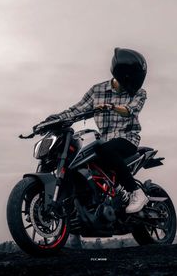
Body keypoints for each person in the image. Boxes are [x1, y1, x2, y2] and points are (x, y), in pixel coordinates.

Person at [45, 48, 149, 213]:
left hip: (127, 139)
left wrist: (112, 107)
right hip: (105, 140)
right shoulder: (97, 90)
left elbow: (131, 110)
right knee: (79, 157)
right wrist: (53, 119)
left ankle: (135, 192)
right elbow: (76, 110)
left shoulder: (139, 93)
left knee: (103, 148)